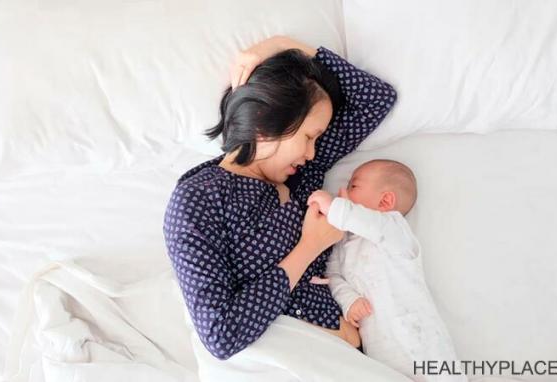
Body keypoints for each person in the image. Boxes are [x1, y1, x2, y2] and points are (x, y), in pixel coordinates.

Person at [163, 35, 397, 360]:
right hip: (291, 361)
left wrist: (285, 46)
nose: (313, 151)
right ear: (266, 120)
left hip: (354, 358)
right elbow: (220, 334)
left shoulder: (303, 172)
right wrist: (309, 247)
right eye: (309, 136)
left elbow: (376, 99)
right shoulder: (198, 200)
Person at [308, 160, 464, 381]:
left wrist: (334, 207)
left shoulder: (393, 228)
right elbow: (333, 275)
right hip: (382, 356)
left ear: (385, 201)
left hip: (422, 342)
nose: (342, 191)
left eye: (353, 187)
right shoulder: (344, 242)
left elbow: (369, 223)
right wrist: (349, 300)